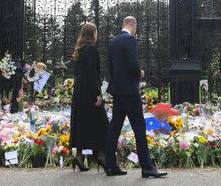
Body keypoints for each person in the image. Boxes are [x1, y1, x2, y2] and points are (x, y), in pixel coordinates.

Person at [104, 16, 168, 178]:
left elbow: (110, 68)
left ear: (123, 25)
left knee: (114, 129)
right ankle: (147, 167)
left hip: (118, 91)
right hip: (130, 92)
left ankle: (110, 165)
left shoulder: (113, 42)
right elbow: (133, 65)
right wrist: (140, 73)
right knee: (139, 128)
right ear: (134, 25)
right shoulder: (130, 40)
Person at [69, 22, 108, 172]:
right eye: (96, 32)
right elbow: (92, 75)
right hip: (89, 92)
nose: (97, 35)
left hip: (80, 92)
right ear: (93, 34)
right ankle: (101, 156)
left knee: (82, 124)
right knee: (101, 125)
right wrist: (98, 94)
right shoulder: (91, 49)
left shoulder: (80, 50)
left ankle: (79, 157)